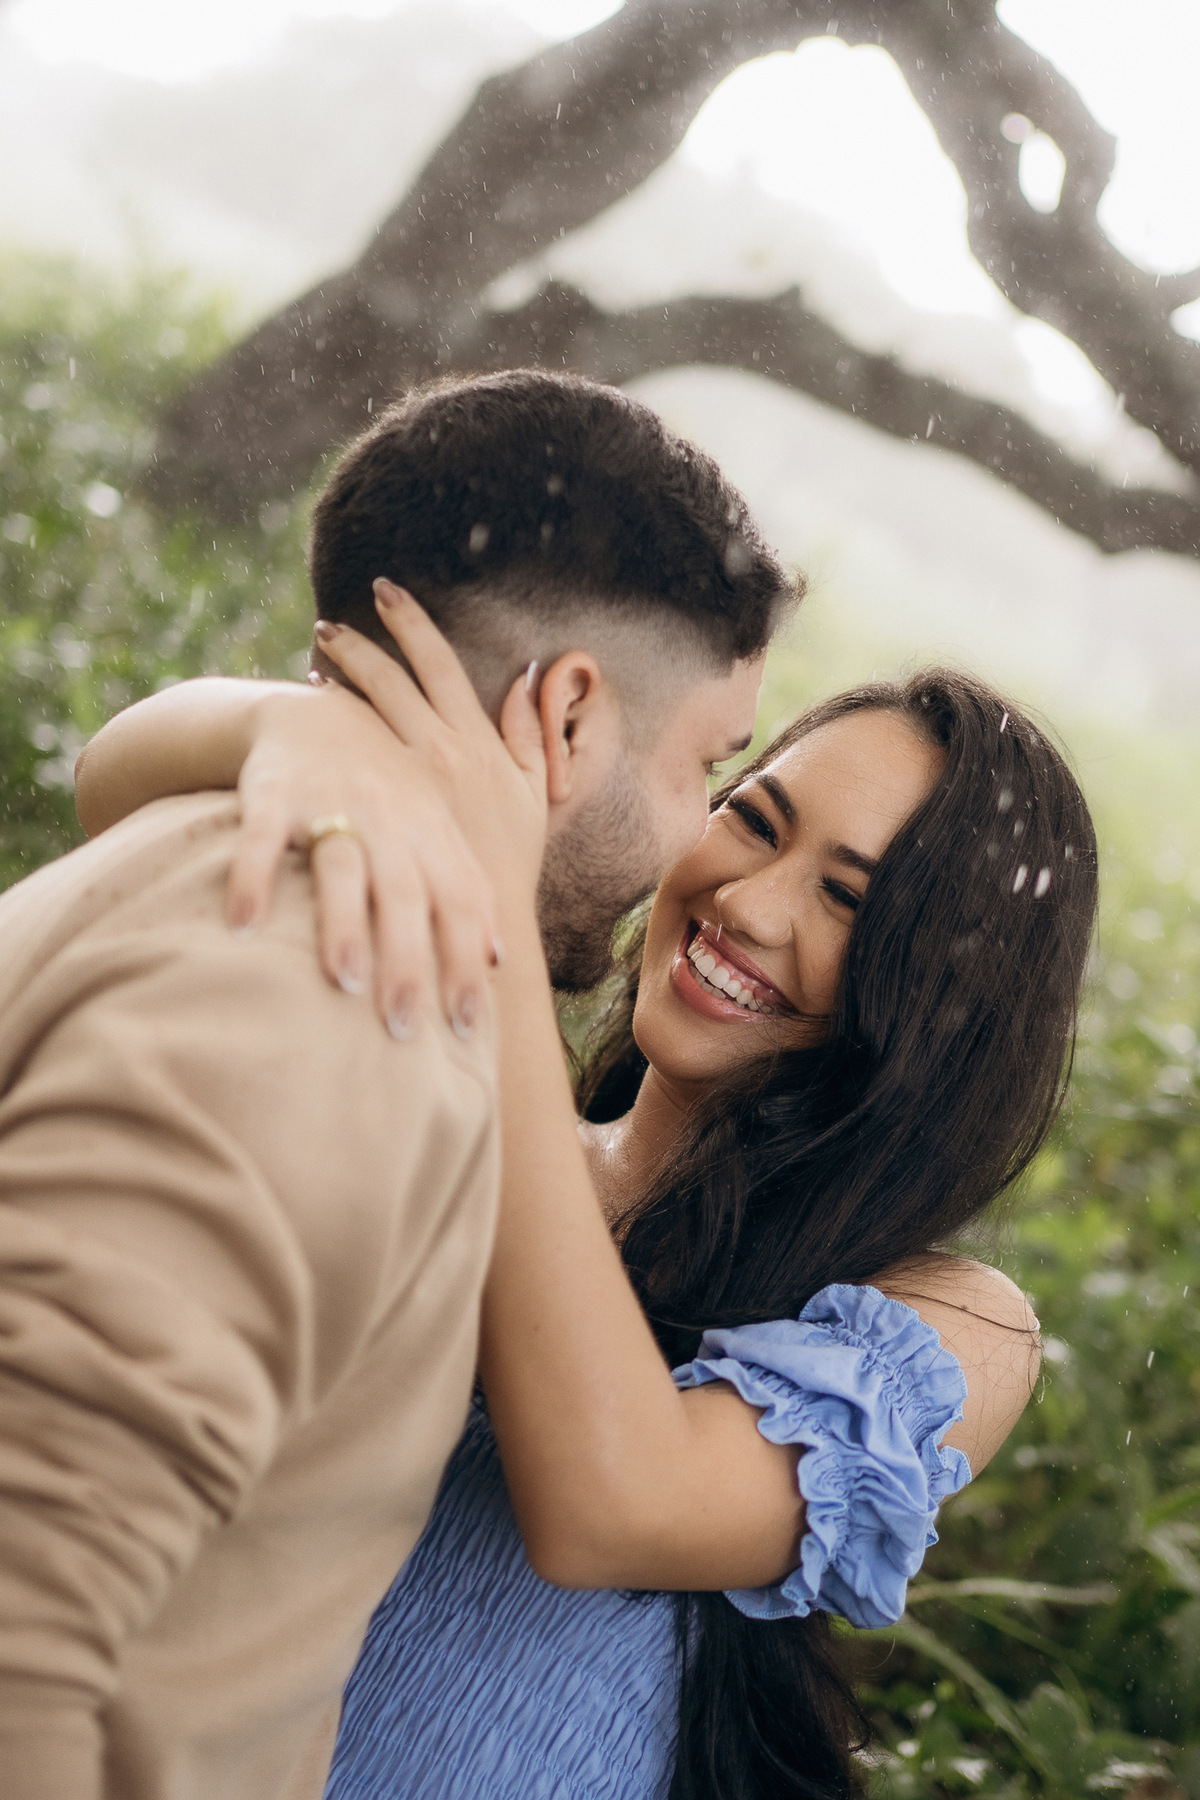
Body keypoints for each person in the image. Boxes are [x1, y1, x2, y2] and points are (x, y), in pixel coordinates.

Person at [80, 580, 1098, 1798]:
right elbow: (119, 787)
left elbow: (612, 1502)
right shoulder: (469, 1113)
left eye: (848, 900)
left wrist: (489, 916)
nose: (749, 903)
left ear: (946, 1004)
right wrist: (327, 746)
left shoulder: (947, 1327)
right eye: (754, 820)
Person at [0, 369, 790, 1800]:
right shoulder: (338, 995)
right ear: (565, 719)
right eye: (707, 772)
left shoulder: (197, 848)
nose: (691, 850)